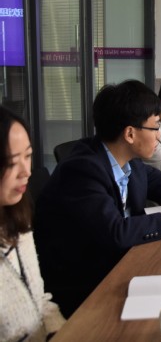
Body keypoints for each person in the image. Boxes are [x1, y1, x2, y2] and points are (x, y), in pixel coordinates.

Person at [34, 81, 161, 318]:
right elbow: (115, 232)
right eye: (155, 127)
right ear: (130, 133)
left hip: (124, 265)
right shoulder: (82, 170)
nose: (159, 135)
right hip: (88, 289)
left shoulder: (129, 161)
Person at [0, 107, 65, 341]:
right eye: (11, 162)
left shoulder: (17, 220)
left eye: (28, 156)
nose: (26, 172)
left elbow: (39, 302)